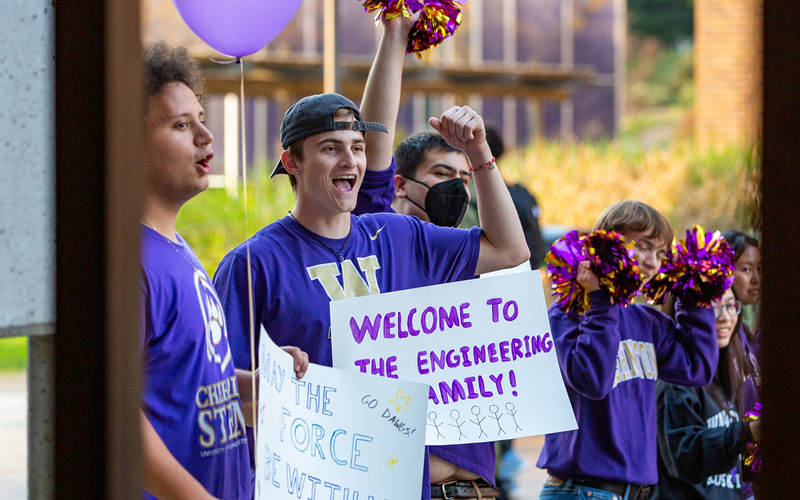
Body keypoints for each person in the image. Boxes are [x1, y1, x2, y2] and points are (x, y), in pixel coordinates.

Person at [213, 21, 528, 500]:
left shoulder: (398, 235)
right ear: (291, 163)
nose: (351, 161)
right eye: (331, 148)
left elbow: (511, 250)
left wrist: (479, 153)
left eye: (358, 148)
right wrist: (269, 384)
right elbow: (217, 393)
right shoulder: (253, 264)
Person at [353, 15, 524, 500]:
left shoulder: (466, 256)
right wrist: (395, 34)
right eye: (441, 173)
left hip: (476, 491)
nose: (456, 186)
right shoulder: (379, 237)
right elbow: (374, 135)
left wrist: (480, 154)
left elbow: (513, 251)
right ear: (400, 184)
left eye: (463, 178)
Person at [139, 41, 308, 500]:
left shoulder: (177, 249)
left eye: (202, 120)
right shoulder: (131, 265)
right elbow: (112, 410)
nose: (205, 138)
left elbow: (188, 386)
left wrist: (267, 385)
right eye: (180, 124)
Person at [536, 200, 719, 500]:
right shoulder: (566, 314)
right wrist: (600, 300)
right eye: (643, 247)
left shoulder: (646, 321)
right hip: (580, 492)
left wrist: (693, 295)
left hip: (638, 493)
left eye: (661, 254)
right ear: (607, 245)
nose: (652, 262)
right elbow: (592, 380)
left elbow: (697, 367)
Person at [654, 288, 760, 500]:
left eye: (731, 306)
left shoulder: (730, 377)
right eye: (713, 307)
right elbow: (684, 457)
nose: (725, 317)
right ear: (686, 313)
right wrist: (746, 432)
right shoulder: (674, 380)